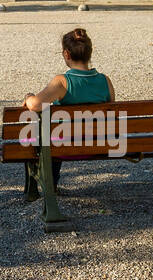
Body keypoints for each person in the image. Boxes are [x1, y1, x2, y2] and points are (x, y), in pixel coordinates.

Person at [21, 28, 115, 185]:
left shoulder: (62, 82)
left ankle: (49, 184)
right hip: (99, 145)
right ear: (89, 53)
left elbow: (35, 105)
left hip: (65, 148)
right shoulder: (105, 81)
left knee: (40, 137)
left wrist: (28, 96)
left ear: (66, 54)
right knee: (57, 134)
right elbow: (111, 110)